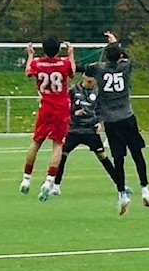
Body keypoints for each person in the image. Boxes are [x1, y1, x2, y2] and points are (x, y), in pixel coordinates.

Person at [83, 31, 149, 210]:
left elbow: (85, 70)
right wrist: (115, 44)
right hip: (127, 117)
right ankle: (145, 189)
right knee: (137, 154)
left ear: (106, 56)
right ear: (119, 56)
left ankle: (122, 194)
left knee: (118, 158)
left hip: (111, 121)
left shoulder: (98, 68)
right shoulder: (125, 67)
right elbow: (125, 57)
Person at [51, 72, 129, 211]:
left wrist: (99, 122)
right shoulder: (73, 91)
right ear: (84, 76)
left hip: (90, 130)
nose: (91, 80)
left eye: (93, 77)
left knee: (103, 156)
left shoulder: (98, 92)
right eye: (89, 77)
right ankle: (56, 186)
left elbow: (102, 109)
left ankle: (120, 185)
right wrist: (72, 114)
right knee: (62, 155)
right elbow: (64, 106)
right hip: (74, 130)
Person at [22, 36, 75, 200]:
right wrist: (71, 54)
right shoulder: (64, 63)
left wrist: (30, 55)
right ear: (59, 49)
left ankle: (26, 178)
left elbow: (28, 71)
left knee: (36, 142)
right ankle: (49, 180)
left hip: (45, 106)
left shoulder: (37, 64)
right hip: (61, 107)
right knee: (58, 144)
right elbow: (72, 72)